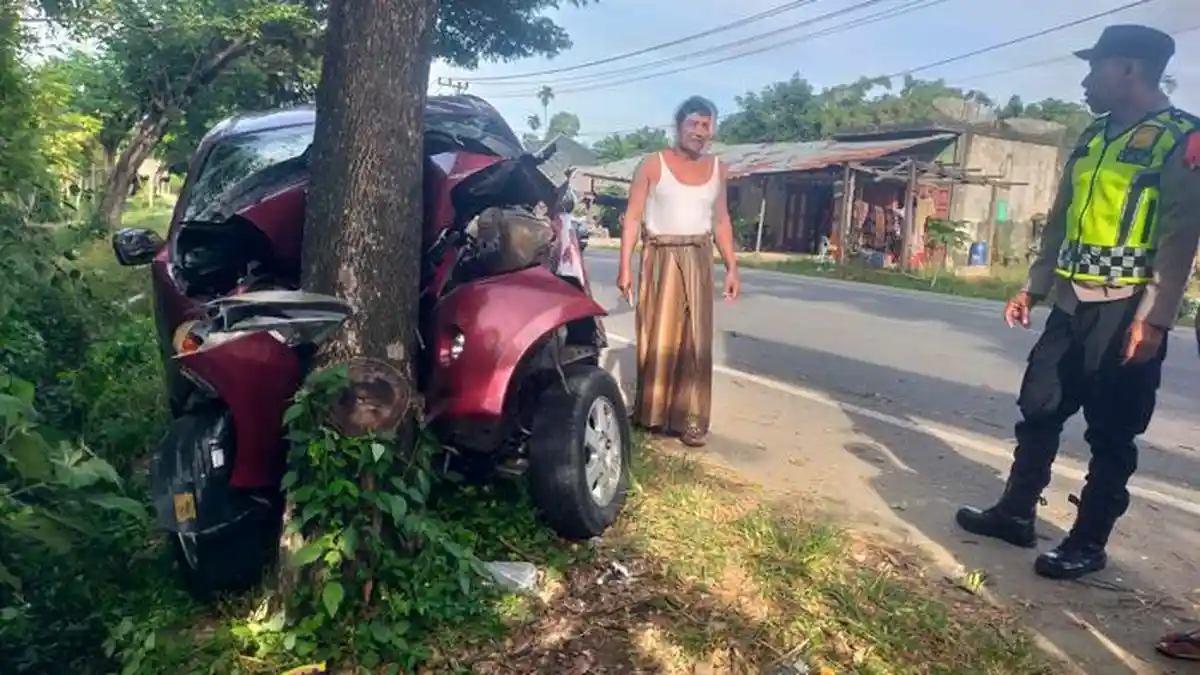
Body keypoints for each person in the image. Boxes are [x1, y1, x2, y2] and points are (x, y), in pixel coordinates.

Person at [955, 24, 1200, 581]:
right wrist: (1033, 285)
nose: (1086, 81)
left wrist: (1154, 320)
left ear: (1128, 70)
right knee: (1039, 405)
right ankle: (1016, 513)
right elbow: (1061, 217)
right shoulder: (1094, 136)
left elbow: (1181, 236)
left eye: (1095, 68)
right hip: (1070, 302)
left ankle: (1088, 542)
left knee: (1112, 430)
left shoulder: (1181, 138)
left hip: (1128, 309)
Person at [615, 95, 741, 448]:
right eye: (693, 124)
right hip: (661, 255)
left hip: (700, 256)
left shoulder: (718, 168)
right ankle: (652, 415)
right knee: (659, 336)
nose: (700, 132)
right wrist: (625, 264)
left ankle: (692, 421)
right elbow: (634, 217)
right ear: (678, 126)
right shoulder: (652, 165)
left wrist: (732, 266)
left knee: (696, 340)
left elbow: (721, 220)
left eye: (706, 125)